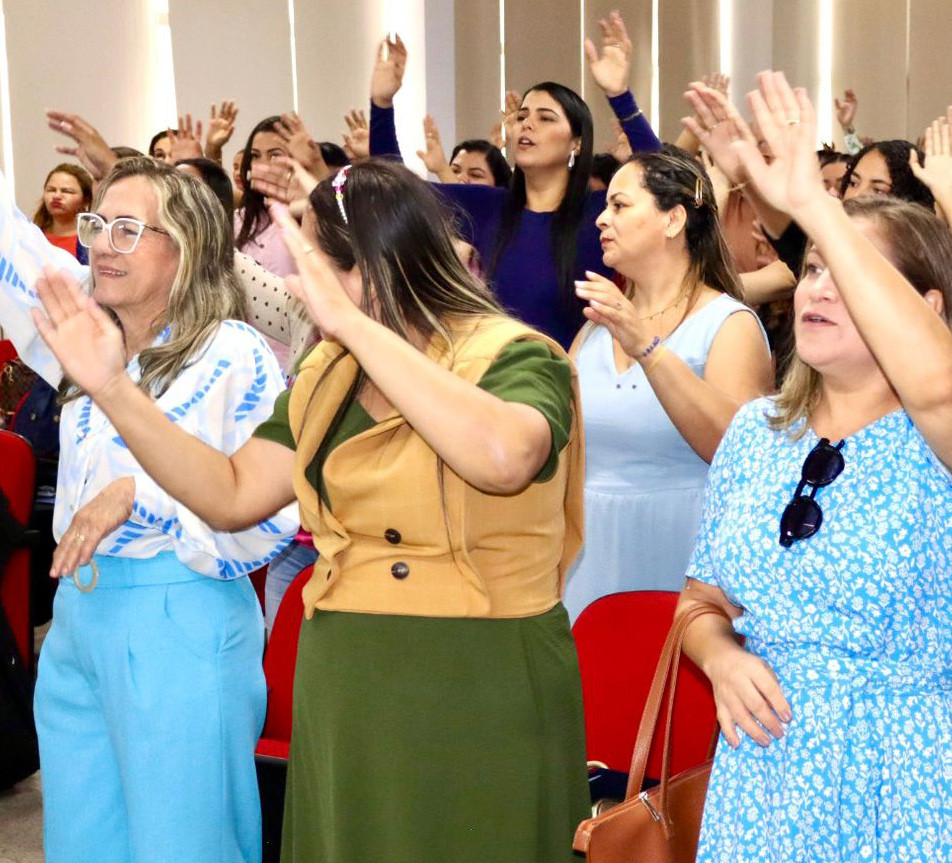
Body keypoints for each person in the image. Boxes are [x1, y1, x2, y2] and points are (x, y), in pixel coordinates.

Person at [30, 158, 589, 862]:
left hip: (477, 673)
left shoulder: (516, 354)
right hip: (349, 672)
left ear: (379, 264)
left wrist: (355, 326)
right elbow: (232, 494)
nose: (297, 286)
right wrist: (113, 387)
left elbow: (503, 458)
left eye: (317, 264)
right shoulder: (330, 372)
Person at [678, 72, 952, 862]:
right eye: (814, 268)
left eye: (851, 270)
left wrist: (817, 208)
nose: (820, 288)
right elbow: (700, 601)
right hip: (763, 774)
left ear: (926, 309)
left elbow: (938, 384)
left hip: (901, 779)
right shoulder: (756, 431)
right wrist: (722, 658)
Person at [0, 155, 296, 862]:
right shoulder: (89, 338)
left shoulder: (230, 351)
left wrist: (139, 494)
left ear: (185, 248)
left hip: (179, 615)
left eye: (128, 229)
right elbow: (17, 251)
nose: (102, 245)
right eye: (98, 224)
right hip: (80, 614)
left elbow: (259, 498)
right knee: (81, 840)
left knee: (183, 843)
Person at [562, 148, 771, 618]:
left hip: (681, 548)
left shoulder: (728, 323)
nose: (601, 219)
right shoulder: (596, 327)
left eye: (620, 205)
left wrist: (647, 347)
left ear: (673, 220)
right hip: (589, 555)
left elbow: (738, 450)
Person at [368, 19, 660, 347]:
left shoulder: (600, 214)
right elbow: (394, 191)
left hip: (572, 374)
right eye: (522, 117)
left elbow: (665, 179)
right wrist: (381, 105)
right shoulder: (487, 207)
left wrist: (619, 96)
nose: (527, 125)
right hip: (492, 372)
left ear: (576, 143)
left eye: (545, 118)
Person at [235, 116, 296, 276]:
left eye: (274, 155)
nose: (262, 164)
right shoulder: (239, 218)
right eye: (255, 156)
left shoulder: (311, 213)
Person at [30, 164, 91, 263]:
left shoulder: (91, 242)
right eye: (51, 190)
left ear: (85, 199)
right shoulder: (32, 236)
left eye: (67, 191)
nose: (56, 196)